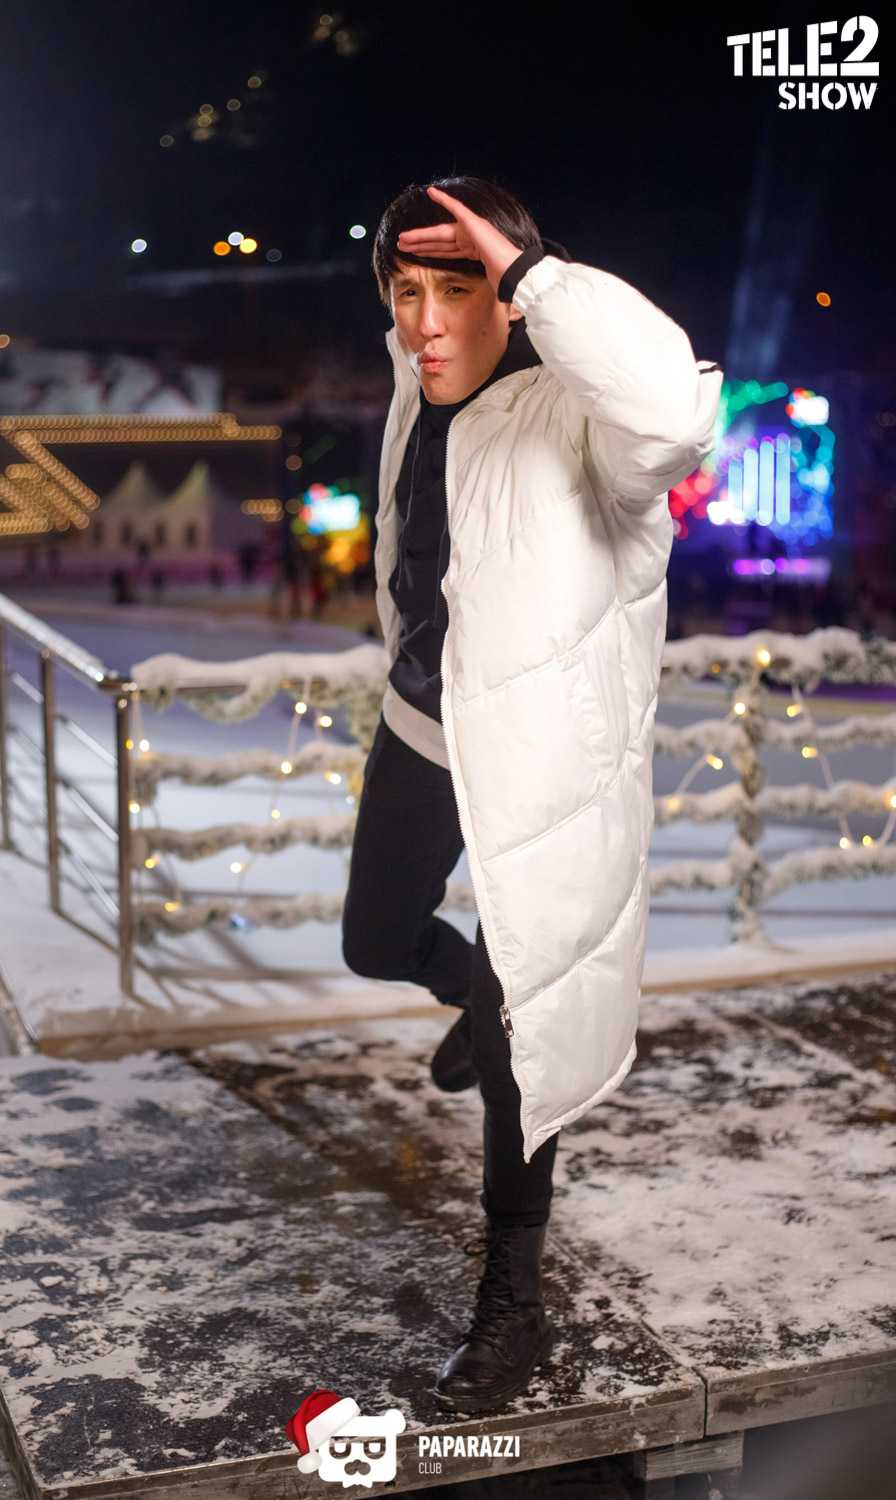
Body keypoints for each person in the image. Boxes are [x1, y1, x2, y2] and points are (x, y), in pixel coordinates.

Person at [340, 177, 722, 1411]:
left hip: (546, 766)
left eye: (457, 289)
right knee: (372, 940)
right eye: (405, 291)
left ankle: (513, 1304)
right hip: (425, 724)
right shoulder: (419, 386)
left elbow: (673, 413)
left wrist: (539, 276)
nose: (424, 322)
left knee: (524, 1040)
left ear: (510, 292)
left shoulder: (587, 423)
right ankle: (469, 996)